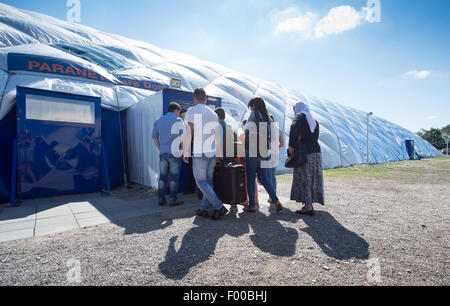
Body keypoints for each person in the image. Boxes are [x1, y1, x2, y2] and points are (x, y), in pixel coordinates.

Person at [183, 88, 228, 220]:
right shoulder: (213, 114)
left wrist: (186, 151)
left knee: (201, 182)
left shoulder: (192, 110)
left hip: (200, 151)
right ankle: (203, 208)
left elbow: (189, 132)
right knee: (208, 181)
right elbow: (217, 135)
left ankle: (219, 206)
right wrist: (219, 153)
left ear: (195, 99)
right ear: (206, 99)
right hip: (212, 152)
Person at [243, 97, 283, 212]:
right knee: (264, 178)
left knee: (251, 178)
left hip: (253, 151)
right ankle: (275, 200)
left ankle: (251, 205)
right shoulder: (268, 118)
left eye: (251, 106)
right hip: (265, 152)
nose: (250, 109)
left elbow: (247, 130)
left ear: (254, 106)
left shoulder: (254, 114)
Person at [288, 102, 324, 216]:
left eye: (294, 110)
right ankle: (309, 203)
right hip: (316, 153)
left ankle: (308, 206)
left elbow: (293, 130)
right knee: (312, 178)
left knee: (304, 178)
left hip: (305, 153)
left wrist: (291, 146)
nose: (294, 112)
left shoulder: (299, 117)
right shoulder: (314, 120)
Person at [152, 102, 185, 207]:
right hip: (175, 153)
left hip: (163, 152)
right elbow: (183, 138)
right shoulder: (178, 120)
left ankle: (161, 199)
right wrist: (182, 149)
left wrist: (160, 148)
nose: (178, 114)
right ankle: (173, 199)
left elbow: (154, 137)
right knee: (173, 177)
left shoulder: (158, 121)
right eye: (179, 112)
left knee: (162, 176)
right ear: (176, 110)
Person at [267, 114, 285, 204]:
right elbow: (282, 145)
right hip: (275, 154)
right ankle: (273, 196)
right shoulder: (279, 130)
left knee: (267, 176)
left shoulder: (266, 129)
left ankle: (272, 196)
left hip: (267, 154)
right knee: (273, 176)